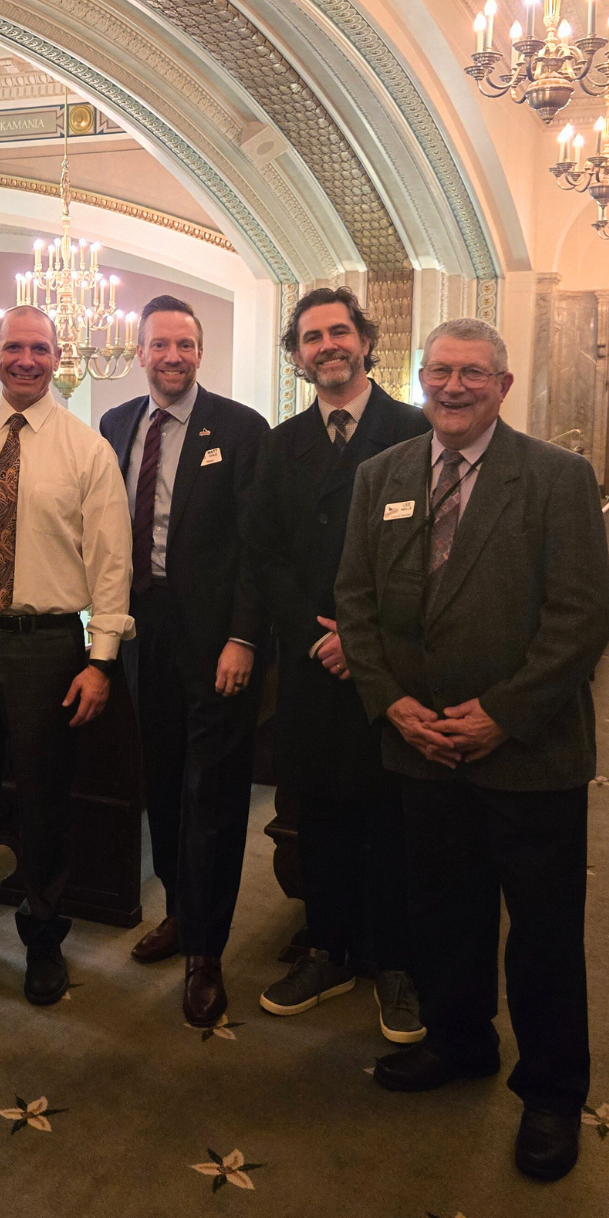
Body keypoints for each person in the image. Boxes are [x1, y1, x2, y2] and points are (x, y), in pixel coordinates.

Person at [335, 318, 609, 1182]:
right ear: (419, 378)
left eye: (472, 373)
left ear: (503, 381)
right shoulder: (380, 475)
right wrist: (394, 706)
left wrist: (500, 713)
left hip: (528, 753)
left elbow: (581, 621)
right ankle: (459, 1043)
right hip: (422, 746)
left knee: (540, 931)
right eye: (439, 372)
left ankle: (552, 1092)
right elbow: (356, 604)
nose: (453, 388)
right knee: (445, 911)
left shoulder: (557, 479)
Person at [0, 306, 133, 1006]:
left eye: (39, 348)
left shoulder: (87, 450)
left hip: (50, 648)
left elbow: (112, 561)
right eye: (13, 346)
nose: (26, 359)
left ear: (56, 356)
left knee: (46, 802)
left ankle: (44, 938)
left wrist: (101, 661)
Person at [246, 288, 430, 1042]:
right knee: (314, 810)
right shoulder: (282, 443)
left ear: (365, 341)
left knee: (391, 816)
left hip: (391, 662)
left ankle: (393, 961)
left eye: (340, 332)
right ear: (296, 355)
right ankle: (325, 949)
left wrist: (362, 638)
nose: (328, 345)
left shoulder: (415, 431)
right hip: (311, 664)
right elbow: (266, 554)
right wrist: (313, 634)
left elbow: (431, 555)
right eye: (312, 336)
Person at [100, 295, 269, 1028]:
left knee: (214, 793)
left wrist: (244, 636)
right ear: (138, 352)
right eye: (160, 344)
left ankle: (206, 949)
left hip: (214, 638)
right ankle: (177, 908)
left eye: (186, 345)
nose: (173, 356)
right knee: (162, 783)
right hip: (145, 629)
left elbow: (258, 546)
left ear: (201, 352)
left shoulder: (238, 428)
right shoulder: (114, 426)